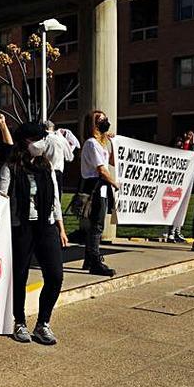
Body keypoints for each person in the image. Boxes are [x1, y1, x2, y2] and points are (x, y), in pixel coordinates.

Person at [0, 122, 67, 345]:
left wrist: (60, 227)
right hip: (21, 227)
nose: (42, 142)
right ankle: (19, 321)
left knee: (55, 276)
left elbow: (55, 198)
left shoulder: (47, 166)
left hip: (45, 226)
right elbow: (1, 195)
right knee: (20, 275)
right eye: (37, 138)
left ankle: (43, 323)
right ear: (25, 142)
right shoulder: (12, 165)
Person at [80, 110, 118, 276]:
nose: (105, 122)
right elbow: (101, 169)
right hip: (94, 187)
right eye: (100, 120)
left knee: (97, 225)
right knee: (97, 226)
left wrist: (113, 143)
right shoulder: (91, 143)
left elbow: (112, 162)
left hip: (101, 188)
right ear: (93, 125)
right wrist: (114, 183)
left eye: (105, 119)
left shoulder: (100, 143)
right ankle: (95, 261)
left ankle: (89, 260)